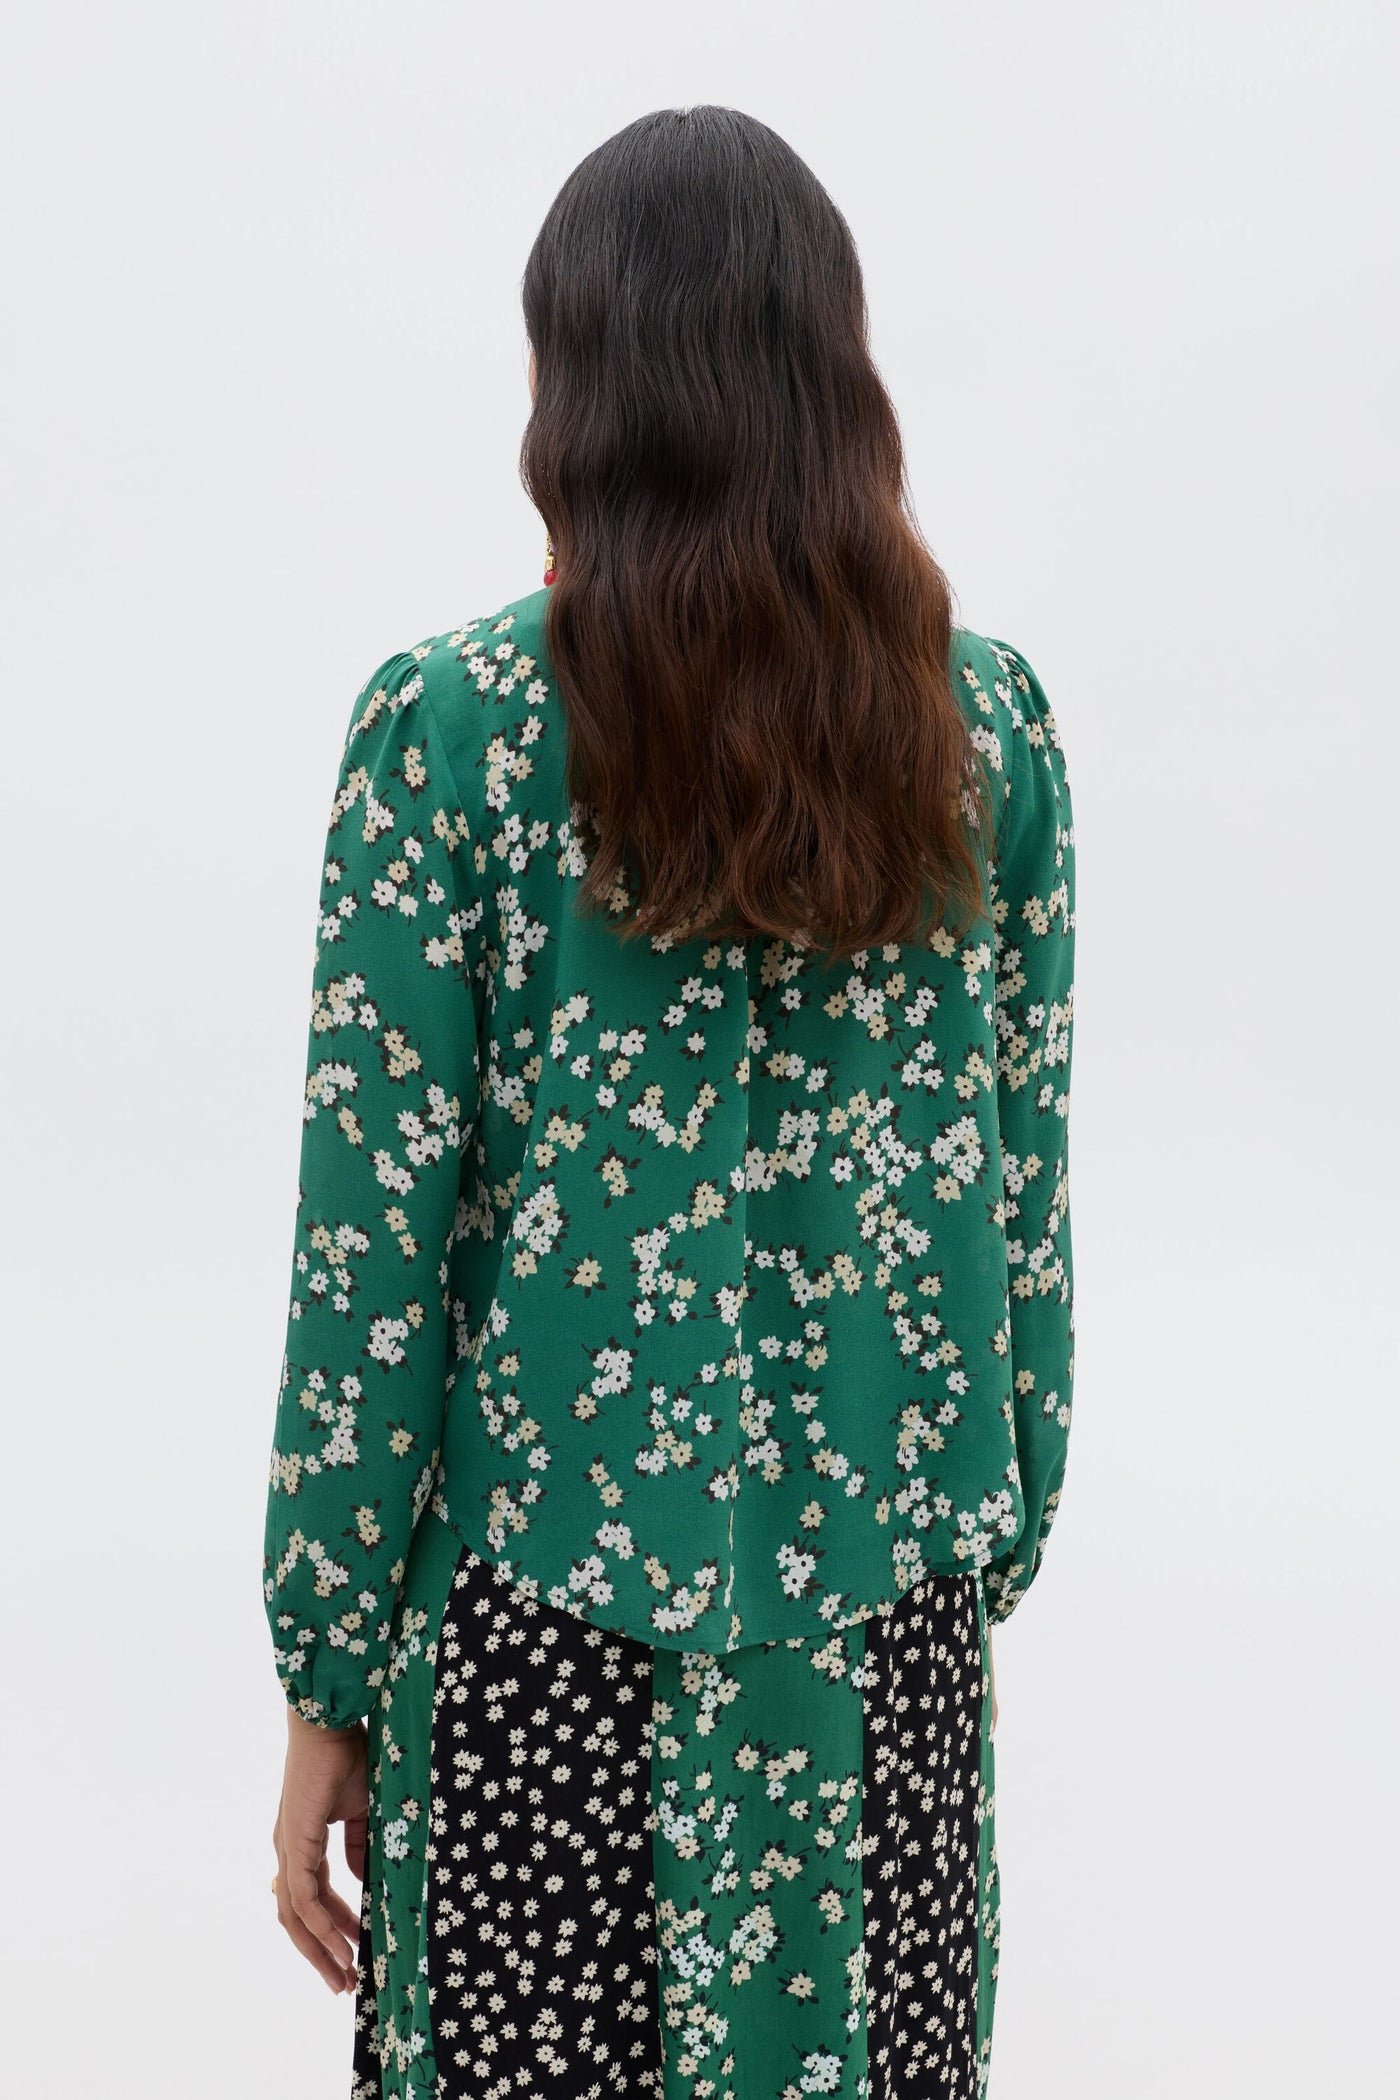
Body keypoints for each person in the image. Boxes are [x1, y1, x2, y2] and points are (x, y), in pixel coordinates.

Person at [262, 103, 1075, 2100]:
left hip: (542, 1634)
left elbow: (371, 1269)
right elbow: (1024, 1221)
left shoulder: (447, 737)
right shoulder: (985, 740)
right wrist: (968, 1550)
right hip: (890, 1628)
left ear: (575, 385)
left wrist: (326, 1677)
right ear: (832, 384)